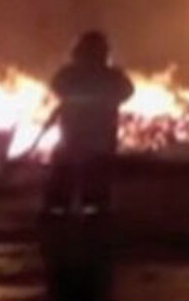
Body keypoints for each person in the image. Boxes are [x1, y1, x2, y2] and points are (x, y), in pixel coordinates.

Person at [43, 30, 134, 216]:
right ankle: (89, 209)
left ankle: (61, 209)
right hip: (96, 137)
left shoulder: (71, 74)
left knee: (71, 171)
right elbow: (126, 91)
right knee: (92, 173)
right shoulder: (111, 76)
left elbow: (57, 86)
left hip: (78, 136)